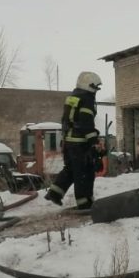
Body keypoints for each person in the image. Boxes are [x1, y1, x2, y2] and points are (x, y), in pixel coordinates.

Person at [45, 71, 102, 209]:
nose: (96, 91)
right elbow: (86, 123)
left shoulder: (72, 97)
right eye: (95, 87)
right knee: (84, 172)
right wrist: (94, 142)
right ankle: (84, 203)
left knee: (71, 169)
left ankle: (54, 193)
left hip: (69, 142)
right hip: (80, 143)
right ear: (89, 85)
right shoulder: (87, 99)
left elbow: (67, 120)